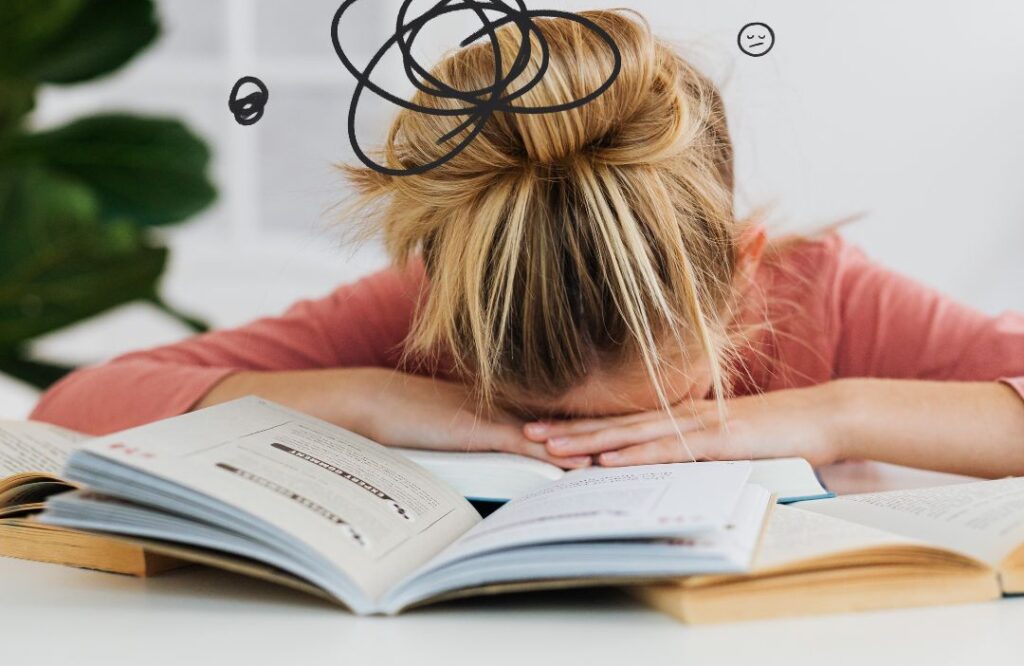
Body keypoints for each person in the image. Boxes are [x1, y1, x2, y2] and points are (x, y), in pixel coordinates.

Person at [31, 10, 1024, 478]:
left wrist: (830, 417)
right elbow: (73, 409)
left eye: (653, 421)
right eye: (538, 424)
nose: (591, 460)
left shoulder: (822, 299)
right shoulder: (426, 311)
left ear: (743, 269)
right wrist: (373, 399)